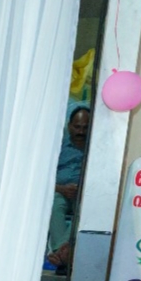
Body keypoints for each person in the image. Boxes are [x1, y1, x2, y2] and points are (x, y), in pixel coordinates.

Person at [47, 106, 91, 266]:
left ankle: (59, 252)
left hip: (85, 193)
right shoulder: (57, 147)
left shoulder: (96, 148)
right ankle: (65, 252)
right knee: (54, 204)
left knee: (87, 209)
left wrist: (82, 189)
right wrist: (62, 189)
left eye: (85, 127)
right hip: (59, 190)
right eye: (77, 127)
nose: (81, 132)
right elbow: (44, 178)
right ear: (69, 126)